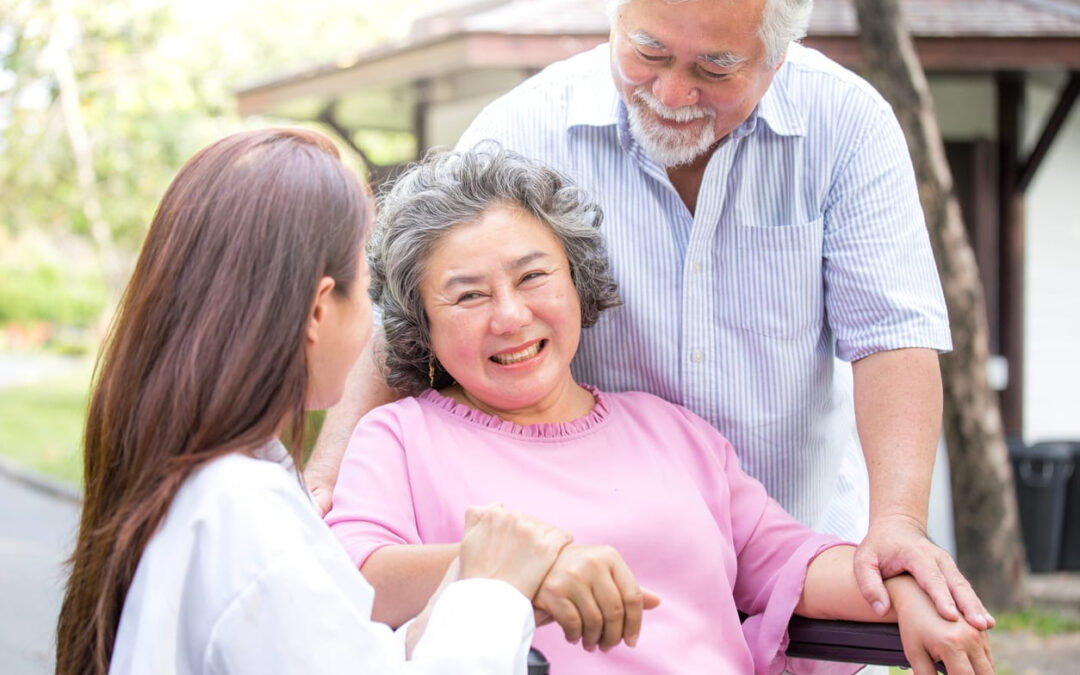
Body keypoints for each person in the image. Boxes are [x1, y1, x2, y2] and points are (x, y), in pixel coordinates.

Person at [305, 0, 993, 631]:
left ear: (776, 59)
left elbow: (892, 332)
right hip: (571, 580)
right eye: (648, 52)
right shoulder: (525, 126)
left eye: (714, 67)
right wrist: (330, 473)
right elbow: (413, 295)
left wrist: (897, 524)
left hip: (794, 543)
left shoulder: (846, 124)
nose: (670, 94)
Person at [325, 147, 993, 675]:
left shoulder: (670, 431)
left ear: (578, 284)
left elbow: (785, 558)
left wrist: (900, 586)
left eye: (533, 277)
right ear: (422, 325)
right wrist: (516, 570)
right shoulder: (401, 436)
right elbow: (351, 580)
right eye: (468, 296)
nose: (510, 315)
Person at [54, 128, 574, 675]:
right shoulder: (241, 516)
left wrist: (459, 590)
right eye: (368, 287)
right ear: (320, 310)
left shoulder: (212, 489)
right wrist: (490, 592)